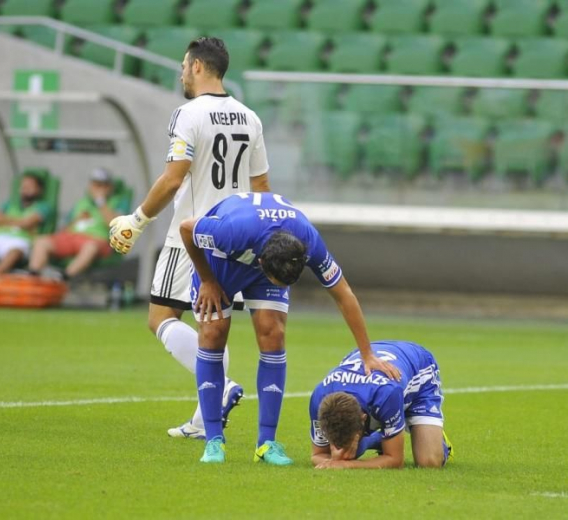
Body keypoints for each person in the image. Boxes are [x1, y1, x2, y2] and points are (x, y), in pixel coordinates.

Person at [109, 37, 272, 439]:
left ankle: (222, 390)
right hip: (235, 238)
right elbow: (262, 186)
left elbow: (173, 178)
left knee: (161, 318)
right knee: (212, 324)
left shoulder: (188, 114)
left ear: (198, 67)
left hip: (192, 235)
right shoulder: (249, 117)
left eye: (184, 65)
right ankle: (205, 420)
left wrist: (138, 220)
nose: (181, 72)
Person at [178, 192, 401, 465]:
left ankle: (267, 443)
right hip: (220, 262)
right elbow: (186, 228)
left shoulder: (308, 242)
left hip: (269, 254)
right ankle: (213, 440)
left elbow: (344, 295)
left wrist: (367, 353)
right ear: (262, 264)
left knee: (274, 334)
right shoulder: (229, 232)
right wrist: (207, 281)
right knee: (213, 332)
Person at [309, 340, 453, 470]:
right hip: (376, 376)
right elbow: (318, 454)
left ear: (363, 418)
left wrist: (347, 464)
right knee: (348, 452)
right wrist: (334, 459)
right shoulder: (320, 398)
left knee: (428, 463)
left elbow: (396, 461)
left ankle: (435, 437)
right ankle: (382, 437)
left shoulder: (386, 394)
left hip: (419, 370)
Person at [28, 168, 126, 280]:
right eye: (95, 184)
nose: (98, 188)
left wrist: (101, 201)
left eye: (102, 185)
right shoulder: (82, 202)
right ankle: (33, 278)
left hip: (96, 240)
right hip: (72, 237)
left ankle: (63, 277)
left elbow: (116, 226)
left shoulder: (118, 202)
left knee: (90, 247)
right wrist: (77, 220)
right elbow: (65, 227)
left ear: (109, 187)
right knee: (41, 242)